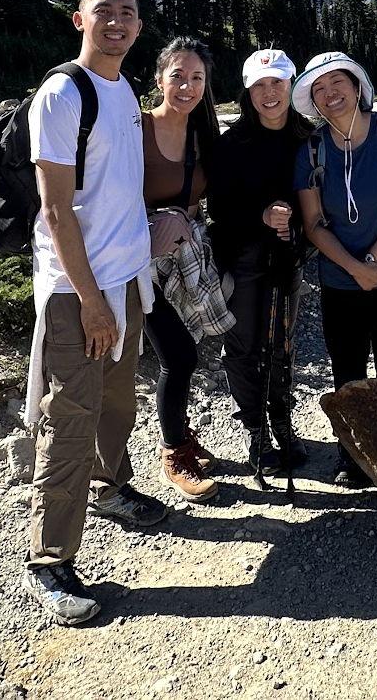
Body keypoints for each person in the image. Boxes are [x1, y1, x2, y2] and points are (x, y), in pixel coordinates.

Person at [22, 0, 168, 628]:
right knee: (72, 416)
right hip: (77, 291)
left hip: (125, 278)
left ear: (138, 27)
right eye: (104, 12)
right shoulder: (64, 92)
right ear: (79, 18)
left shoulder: (124, 89)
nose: (116, 22)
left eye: (127, 14)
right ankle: (50, 563)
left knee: (117, 398)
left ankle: (110, 489)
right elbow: (56, 209)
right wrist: (90, 300)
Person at [292, 51, 377, 486]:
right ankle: (355, 455)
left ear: (357, 86)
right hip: (340, 280)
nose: (330, 94)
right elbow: (312, 223)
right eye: (320, 89)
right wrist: (355, 267)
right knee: (347, 370)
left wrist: (372, 261)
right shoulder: (311, 150)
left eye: (337, 84)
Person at [207, 49, 313, 475]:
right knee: (244, 344)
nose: (270, 93)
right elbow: (218, 209)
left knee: (282, 344)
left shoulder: (308, 136)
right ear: (247, 92)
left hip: (289, 256)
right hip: (242, 258)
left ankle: (282, 424)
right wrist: (261, 217)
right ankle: (256, 429)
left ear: (290, 86)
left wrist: (299, 227)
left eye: (278, 83)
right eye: (260, 86)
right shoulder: (231, 145)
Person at [142, 36, 230, 503]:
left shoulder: (203, 135)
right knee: (179, 358)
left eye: (197, 78)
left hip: (183, 261)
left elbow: (206, 200)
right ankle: (173, 452)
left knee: (183, 352)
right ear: (159, 79)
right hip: (137, 266)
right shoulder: (135, 129)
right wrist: (159, 219)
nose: (187, 86)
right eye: (177, 75)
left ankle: (180, 435)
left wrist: (183, 216)